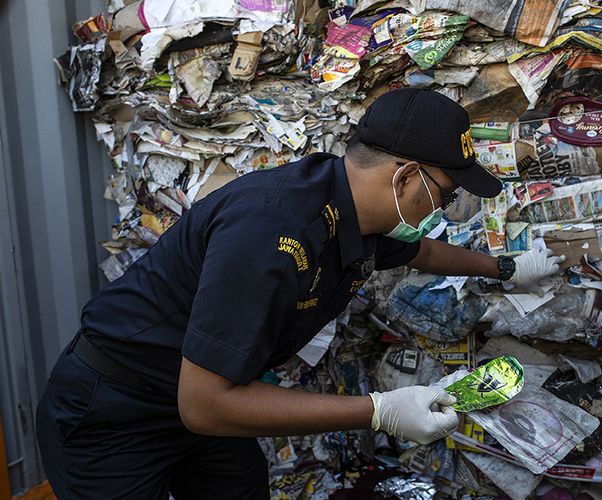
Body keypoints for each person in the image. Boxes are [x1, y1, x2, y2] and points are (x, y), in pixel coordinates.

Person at [36, 88, 563, 499]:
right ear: (406, 178)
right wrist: (378, 410)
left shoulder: (355, 208)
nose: (439, 212)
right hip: (117, 410)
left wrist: (509, 267)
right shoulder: (272, 232)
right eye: (444, 196)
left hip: (203, 401)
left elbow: (422, 253)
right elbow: (205, 405)